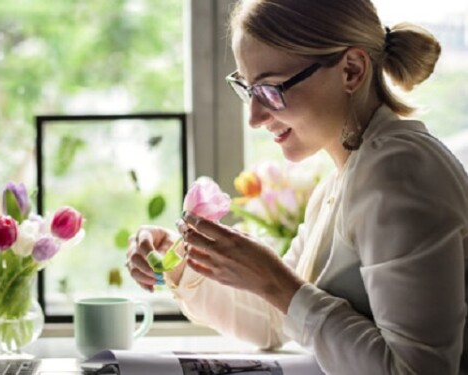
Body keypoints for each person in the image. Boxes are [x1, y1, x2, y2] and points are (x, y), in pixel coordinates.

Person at [125, 1, 468, 374]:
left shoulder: (398, 174)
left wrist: (276, 283)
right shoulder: (341, 181)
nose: (254, 117)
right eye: (248, 89)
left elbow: (418, 370)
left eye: (271, 90)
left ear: (351, 71)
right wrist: (182, 265)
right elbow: (275, 319)